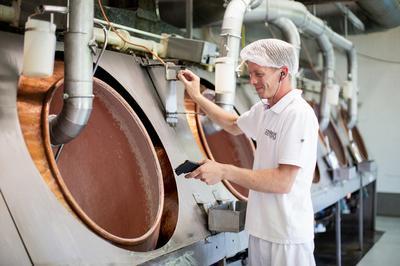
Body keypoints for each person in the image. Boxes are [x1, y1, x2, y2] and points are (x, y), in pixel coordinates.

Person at [177, 39, 318, 266]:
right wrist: (197, 97)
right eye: (250, 73)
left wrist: (224, 171)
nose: (252, 81)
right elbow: (233, 124)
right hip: (261, 231)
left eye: (259, 74)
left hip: (287, 237)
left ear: (283, 72)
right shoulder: (266, 108)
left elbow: (283, 181)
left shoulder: (297, 114)